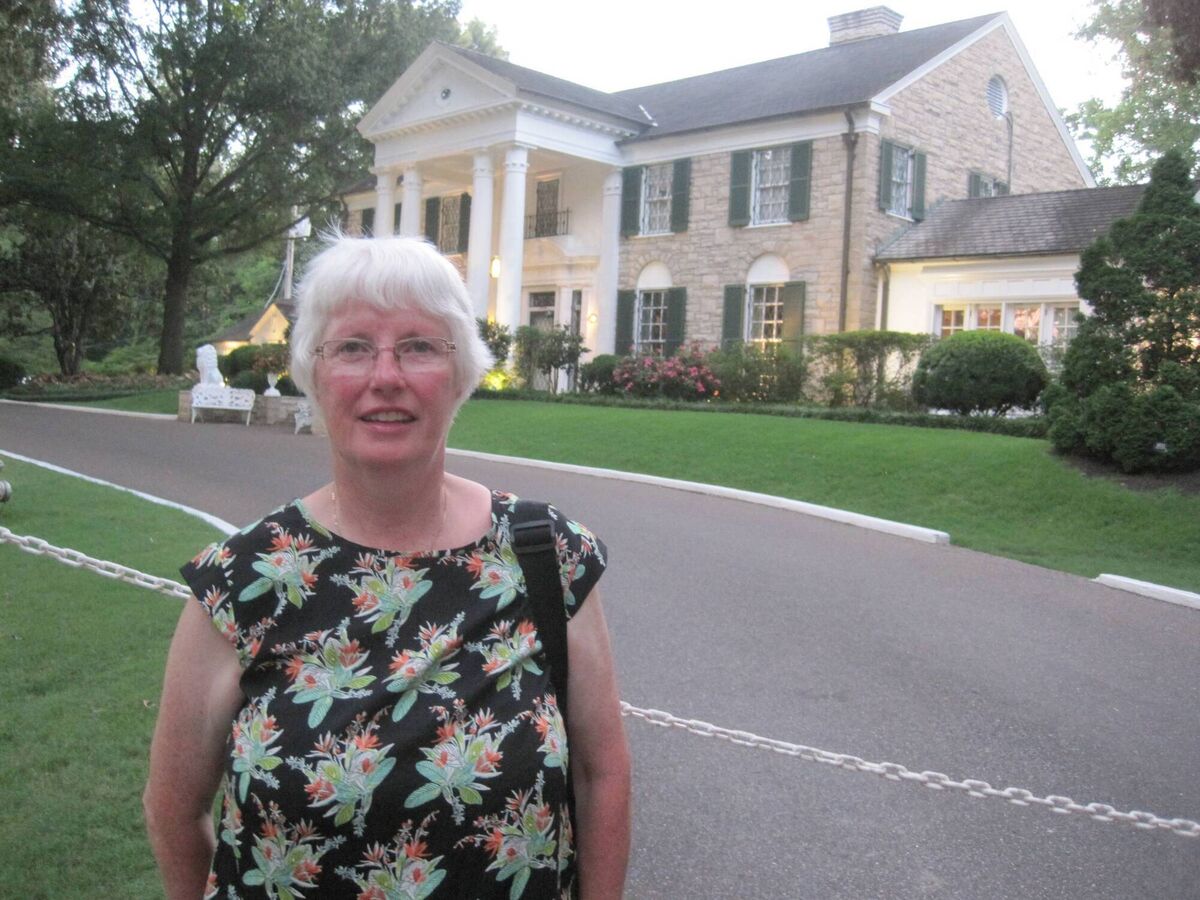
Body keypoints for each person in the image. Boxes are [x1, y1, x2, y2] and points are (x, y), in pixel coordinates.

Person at [144, 235, 632, 899]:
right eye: (352, 347)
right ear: (313, 373)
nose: (385, 377)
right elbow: (174, 807)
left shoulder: (547, 558)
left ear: (461, 374)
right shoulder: (243, 581)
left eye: (419, 346)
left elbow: (602, 778)